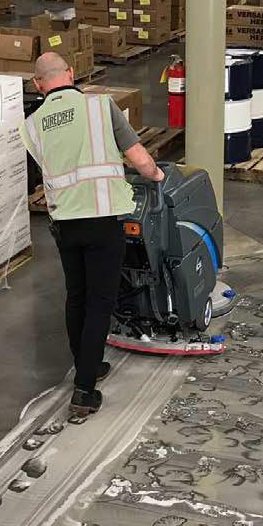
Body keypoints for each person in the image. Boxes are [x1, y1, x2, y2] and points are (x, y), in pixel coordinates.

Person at [20, 52, 165, 417]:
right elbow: (140, 160)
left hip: (64, 223)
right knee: (101, 300)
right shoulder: (101, 107)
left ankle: (87, 365)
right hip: (102, 219)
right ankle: (84, 390)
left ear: (39, 84)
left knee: (77, 295)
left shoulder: (33, 124)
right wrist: (158, 178)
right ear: (71, 73)